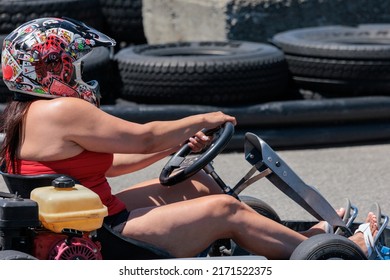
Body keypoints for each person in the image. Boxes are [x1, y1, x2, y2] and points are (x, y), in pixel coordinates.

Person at [0, 17, 378, 260]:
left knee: (198, 183)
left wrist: (174, 147)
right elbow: (144, 137)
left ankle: (287, 238)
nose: (81, 74)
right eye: (75, 64)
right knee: (224, 210)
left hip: (89, 219)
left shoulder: (22, 114)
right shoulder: (63, 110)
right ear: (52, 65)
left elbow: (112, 163)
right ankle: (336, 252)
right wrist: (203, 117)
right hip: (105, 237)